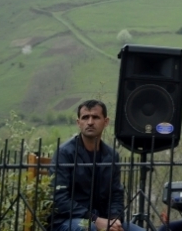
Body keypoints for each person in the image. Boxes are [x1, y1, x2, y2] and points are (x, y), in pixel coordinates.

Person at [52, 99, 144, 231]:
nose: (90, 122)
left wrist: (114, 219)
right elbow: (59, 198)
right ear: (78, 123)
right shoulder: (65, 153)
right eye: (85, 117)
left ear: (105, 122)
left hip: (103, 219)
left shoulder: (111, 156)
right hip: (67, 220)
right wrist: (95, 219)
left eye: (95, 117)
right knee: (89, 228)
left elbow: (116, 194)